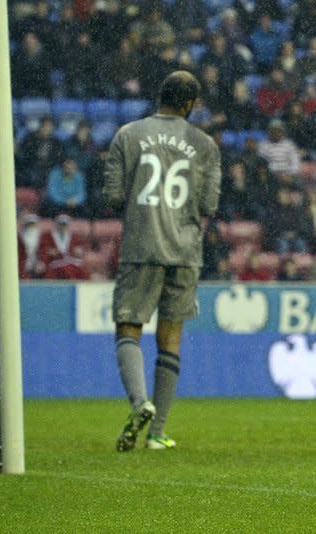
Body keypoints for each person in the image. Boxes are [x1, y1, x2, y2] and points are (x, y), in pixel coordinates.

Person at [102, 70, 221, 452]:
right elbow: (208, 206)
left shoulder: (128, 135)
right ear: (191, 104)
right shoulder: (205, 146)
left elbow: (114, 196)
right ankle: (158, 434)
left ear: (160, 96)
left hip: (142, 245)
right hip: (185, 251)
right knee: (170, 338)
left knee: (128, 325)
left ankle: (140, 403)